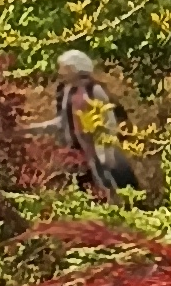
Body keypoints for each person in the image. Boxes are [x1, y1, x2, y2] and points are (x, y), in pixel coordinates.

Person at [54, 50, 129, 198]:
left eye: (64, 68)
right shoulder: (66, 91)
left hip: (95, 149)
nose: (60, 72)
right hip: (76, 149)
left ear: (74, 69)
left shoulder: (94, 89)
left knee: (106, 185)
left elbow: (109, 121)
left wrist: (107, 151)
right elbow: (64, 120)